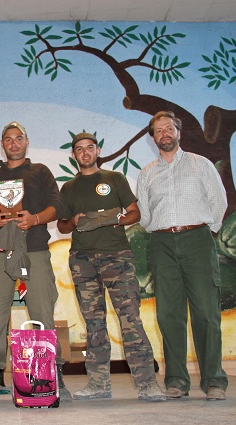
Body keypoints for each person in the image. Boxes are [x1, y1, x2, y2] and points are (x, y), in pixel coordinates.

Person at [57, 132, 166, 402]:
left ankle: (147, 384)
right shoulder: (68, 188)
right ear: (74, 155)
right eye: (79, 149)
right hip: (82, 260)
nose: (85, 152)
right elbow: (62, 226)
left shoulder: (115, 179)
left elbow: (135, 213)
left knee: (130, 320)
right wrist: (74, 222)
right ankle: (98, 384)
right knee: (94, 324)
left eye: (90, 148)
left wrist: (114, 219)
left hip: (117, 257)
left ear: (97, 151)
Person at [0, 121, 71, 402]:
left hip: (34, 250)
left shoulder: (40, 172)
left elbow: (58, 206)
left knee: (42, 313)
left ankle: (53, 374)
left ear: (26, 142)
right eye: (8, 139)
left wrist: (35, 218)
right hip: (0, 252)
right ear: (2, 144)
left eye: (18, 138)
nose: (13, 143)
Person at [136, 111, 228, 401]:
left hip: (197, 239)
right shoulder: (147, 173)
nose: (164, 133)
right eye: (158, 130)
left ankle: (214, 381)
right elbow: (145, 215)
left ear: (178, 132)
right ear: (153, 138)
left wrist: (205, 232)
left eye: (169, 128)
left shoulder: (201, 164)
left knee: (206, 313)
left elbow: (218, 202)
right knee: (168, 314)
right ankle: (176, 380)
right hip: (161, 242)